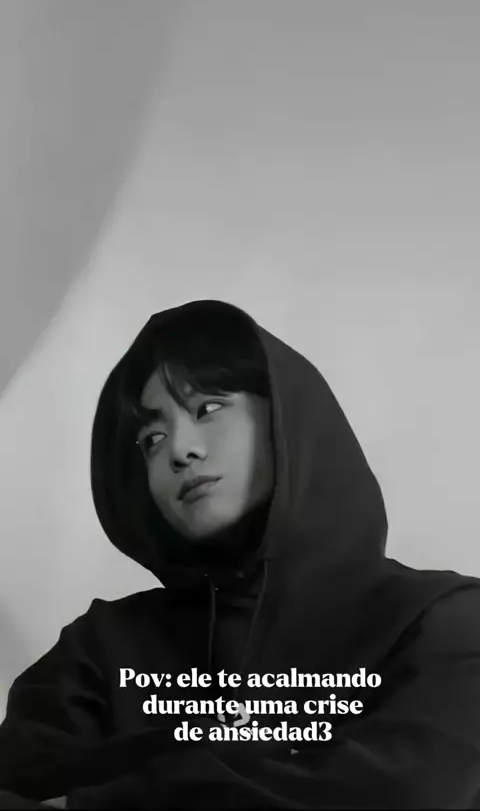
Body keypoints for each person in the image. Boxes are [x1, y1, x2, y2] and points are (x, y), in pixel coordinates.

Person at [1, 298, 480, 809]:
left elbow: (409, 795)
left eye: (207, 410)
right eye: (152, 438)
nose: (179, 449)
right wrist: (235, 752)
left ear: (286, 418)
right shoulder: (99, 648)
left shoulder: (441, 618)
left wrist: (106, 792)